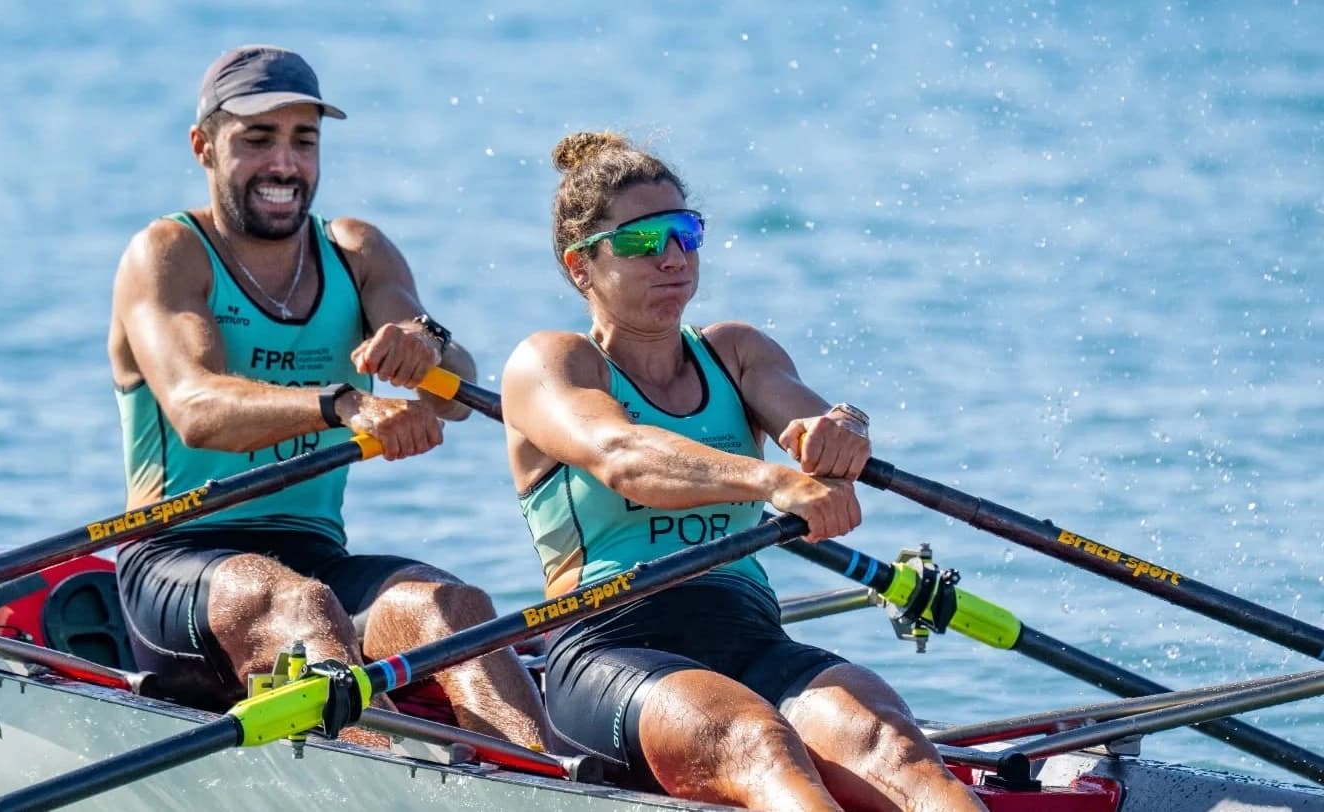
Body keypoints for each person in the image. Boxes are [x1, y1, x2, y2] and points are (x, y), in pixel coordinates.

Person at [501, 131, 987, 811]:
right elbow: (624, 457)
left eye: (684, 232)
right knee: (758, 744)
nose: (671, 257)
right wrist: (773, 481)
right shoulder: (551, 364)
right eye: (641, 241)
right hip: (612, 645)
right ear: (581, 267)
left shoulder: (736, 353)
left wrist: (840, 434)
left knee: (893, 748)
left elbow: (816, 434)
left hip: (750, 634)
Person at [107, 44, 550, 750]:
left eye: (303, 141)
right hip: (177, 558)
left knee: (456, 609)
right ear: (203, 146)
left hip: (314, 551)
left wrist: (427, 347)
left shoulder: (356, 251)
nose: (284, 164)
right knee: (300, 607)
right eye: (257, 140)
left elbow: (456, 394)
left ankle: (542, 780)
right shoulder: (169, 253)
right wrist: (340, 402)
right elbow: (196, 409)